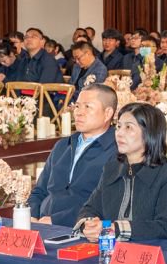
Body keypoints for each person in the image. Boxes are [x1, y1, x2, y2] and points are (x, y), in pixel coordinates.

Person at [73, 102, 167, 242]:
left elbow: (165, 226)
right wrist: (89, 225)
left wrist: (116, 229)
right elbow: (90, 208)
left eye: (128, 127)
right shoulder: (111, 169)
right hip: (110, 248)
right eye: (118, 126)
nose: (119, 133)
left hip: (153, 251)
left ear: (149, 133)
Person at [26, 84, 118, 224]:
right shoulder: (63, 145)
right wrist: (31, 215)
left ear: (108, 113)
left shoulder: (117, 151)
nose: (79, 113)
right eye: (77, 106)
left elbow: (105, 203)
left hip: (80, 228)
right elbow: (39, 191)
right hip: (43, 224)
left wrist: (56, 221)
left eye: (87, 107)